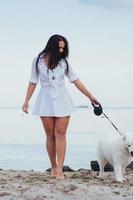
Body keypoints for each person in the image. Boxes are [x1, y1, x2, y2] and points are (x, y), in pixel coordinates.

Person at [22, 34, 98, 179]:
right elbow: (33, 81)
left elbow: (76, 80)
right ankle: (53, 167)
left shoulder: (64, 62)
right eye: (59, 48)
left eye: (63, 48)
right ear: (52, 46)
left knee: (61, 134)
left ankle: (60, 170)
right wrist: (26, 101)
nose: (62, 51)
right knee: (50, 135)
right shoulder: (37, 61)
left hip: (62, 100)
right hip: (45, 101)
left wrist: (90, 96)